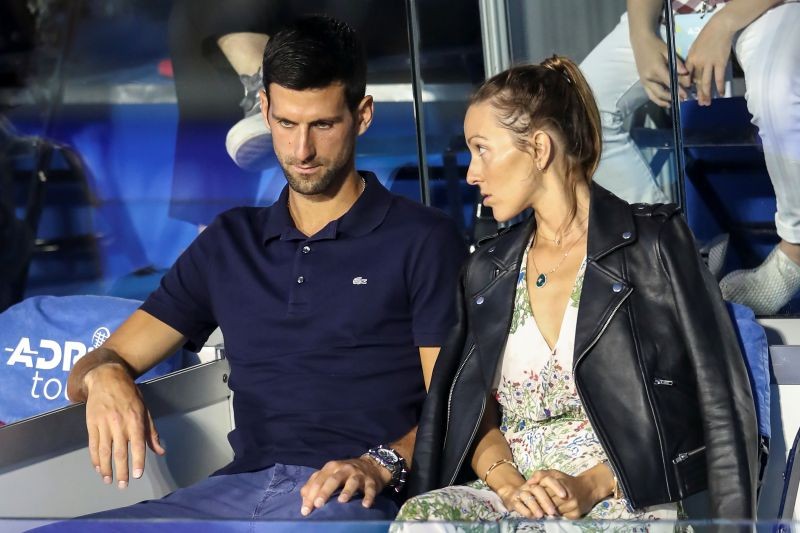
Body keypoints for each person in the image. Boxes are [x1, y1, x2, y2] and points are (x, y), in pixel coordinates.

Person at [64, 15, 467, 523]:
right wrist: (106, 377)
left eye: (323, 125)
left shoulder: (424, 239)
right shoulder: (231, 242)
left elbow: (455, 405)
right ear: (264, 110)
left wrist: (380, 463)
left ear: (362, 115)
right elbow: (99, 363)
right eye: (286, 124)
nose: (301, 151)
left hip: (351, 498)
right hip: (231, 494)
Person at [395, 56, 758, 527]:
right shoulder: (488, 268)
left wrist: (590, 484)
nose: (470, 174)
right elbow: (470, 413)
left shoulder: (653, 243)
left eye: (482, 149)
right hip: (514, 492)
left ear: (540, 148)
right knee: (423, 518)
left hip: (624, 495)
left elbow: (717, 400)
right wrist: (509, 483)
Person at [580, 0, 800, 315]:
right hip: (676, 13)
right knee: (580, 108)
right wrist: (641, 34)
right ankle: (673, 253)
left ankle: (795, 253)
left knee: (778, 94)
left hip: (765, 8)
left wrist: (725, 22)